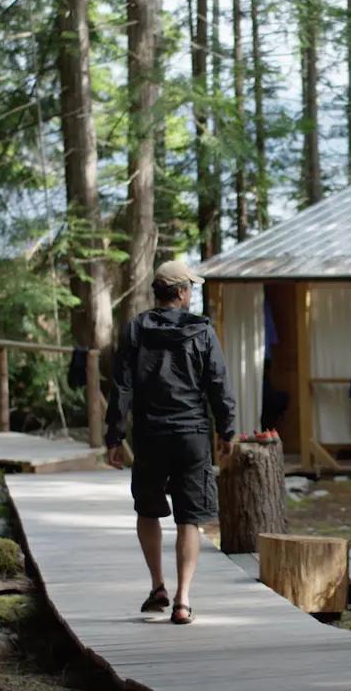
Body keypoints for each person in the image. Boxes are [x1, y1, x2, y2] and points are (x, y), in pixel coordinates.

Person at [104, 260, 235, 626]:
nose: (191, 293)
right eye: (190, 288)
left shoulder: (135, 330)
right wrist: (227, 432)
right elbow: (219, 386)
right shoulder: (202, 333)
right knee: (189, 518)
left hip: (150, 435)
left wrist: (114, 436)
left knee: (147, 510)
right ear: (180, 293)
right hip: (192, 435)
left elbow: (122, 388)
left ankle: (158, 586)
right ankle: (183, 599)